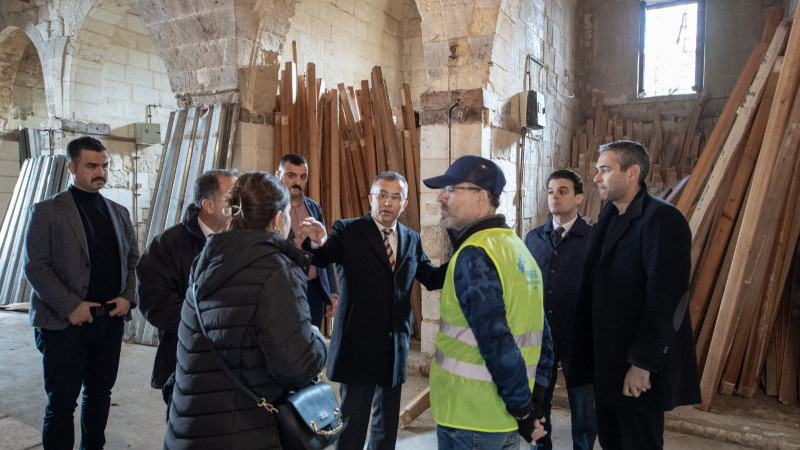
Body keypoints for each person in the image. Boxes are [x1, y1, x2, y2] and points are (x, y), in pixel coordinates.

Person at [164, 171, 327, 449]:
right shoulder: (275, 270)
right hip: (244, 431)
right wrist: (318, 340)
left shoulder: (207, 259)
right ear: (277, 218)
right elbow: (296, 363)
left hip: (188, 427)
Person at [568, 140, 701, 449]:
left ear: (633, 173)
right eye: (597, 171)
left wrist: (642, 364)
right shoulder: (609, 218)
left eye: (604, 170)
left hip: (637, 368)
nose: (596, 178)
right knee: (612, 441)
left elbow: (667, 300)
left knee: (639, 441)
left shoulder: (663, 220)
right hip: (608, 364)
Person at [301, 171, 447, 450]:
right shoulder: (347, 230)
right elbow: (323, 256)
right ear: (370, 198)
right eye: (381, 194)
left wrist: (462, 259)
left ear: (404, 204)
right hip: (358, 343)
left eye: (395, 197)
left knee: (386, 426)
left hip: (394, 345)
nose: (387, 202)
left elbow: (429, 277)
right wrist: (318, 240)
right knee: (353, 425)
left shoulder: (411, 238)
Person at [422, 155, 554, 450]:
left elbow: (497, 342)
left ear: (482, 196)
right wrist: (533, 404)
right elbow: (544, 337)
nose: (442, 197)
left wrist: (523, 410)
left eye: (452, 189)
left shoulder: (475, 256)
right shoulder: (517, 248)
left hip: (470, 417)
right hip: (501, 418)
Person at [24, 136, 139, 450]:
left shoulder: (119, 212)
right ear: (72, 167)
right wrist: (70, 305)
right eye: (91, 165)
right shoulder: (46, 211)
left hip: (108, 322)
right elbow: (36, 266)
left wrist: (128, 296)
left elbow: (132, 259)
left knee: (99, 395)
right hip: (64, 326)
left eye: (104, 165)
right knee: (62, 404)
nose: (100, 172)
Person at [136, 169, 237, 413]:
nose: (238, 204)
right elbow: (154, 303)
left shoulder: (241, 241)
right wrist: (209, 323)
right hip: (187, 361)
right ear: (209, 205)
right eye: (231, 197)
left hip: (235, 366)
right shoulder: (169, 244)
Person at [524, 169, 596, 450]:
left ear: (579, 197)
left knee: (584, 412)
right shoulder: (534, 238)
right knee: (538, 408)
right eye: (551, 191)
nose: (555, 197)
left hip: (579, 337)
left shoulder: (592, 238)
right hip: (541, 337)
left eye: (563, 191)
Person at [275, 153, 338, 327]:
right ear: (278, 175)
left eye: (303, 177)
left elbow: (325, 250)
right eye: (291, 175)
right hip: (283, 290)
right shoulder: (270, 210)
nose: (298, 182)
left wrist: (332, 291)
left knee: (312, 344)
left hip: (314, 290)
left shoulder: (313, 207)